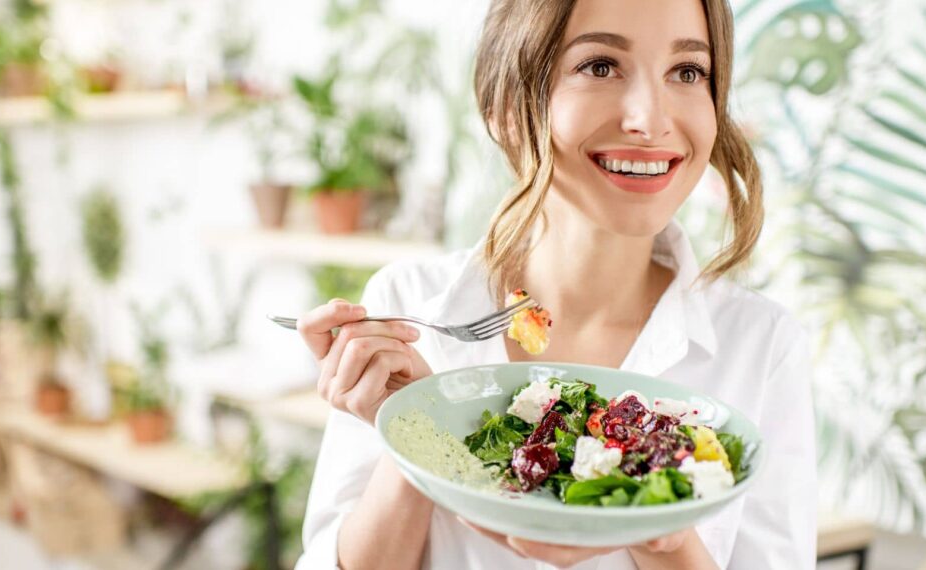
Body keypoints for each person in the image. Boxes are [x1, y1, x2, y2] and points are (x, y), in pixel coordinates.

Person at [293, 0, 817, 568]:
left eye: (688, 72)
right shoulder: (408, 304)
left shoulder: (760, 345)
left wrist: (660, 532)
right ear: (504, 107)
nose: (651, 120)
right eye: (599, 66)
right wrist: (418, 432)